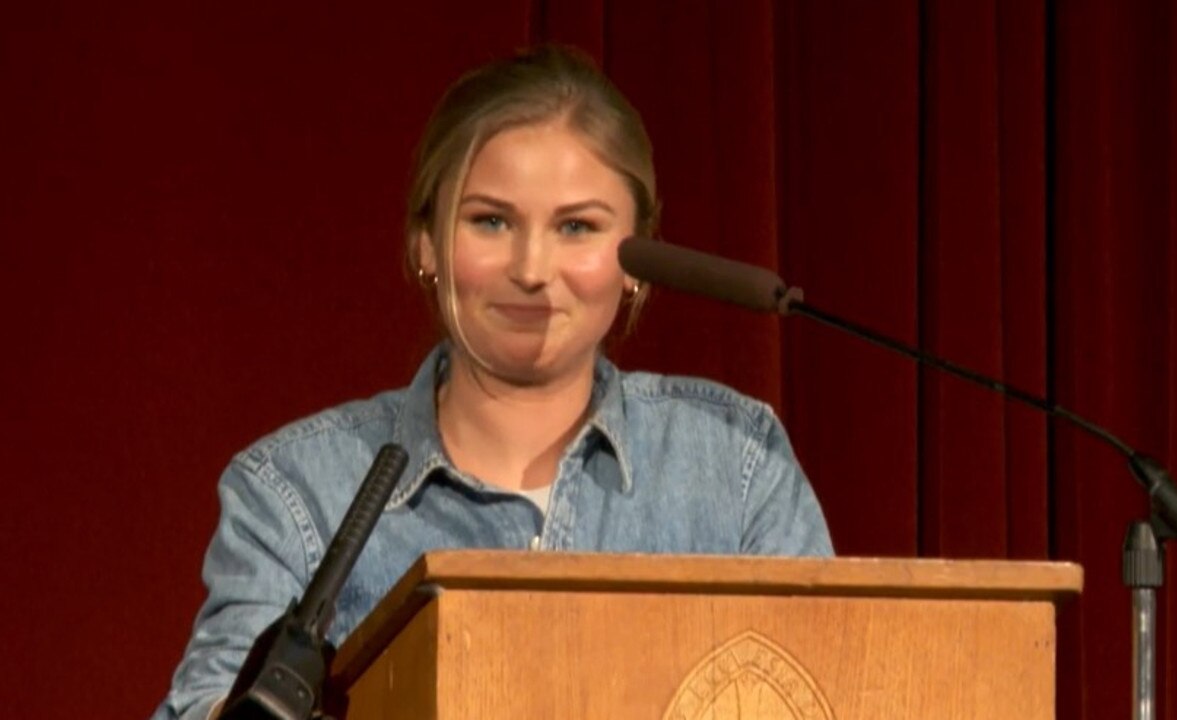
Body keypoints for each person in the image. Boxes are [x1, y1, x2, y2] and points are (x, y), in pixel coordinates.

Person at [152, 45, 832, 720]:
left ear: (639, 256)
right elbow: (202, 703)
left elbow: (832, 690)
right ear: (426, 245)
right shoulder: (296, 486)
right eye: (491, 221)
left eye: (576, 226)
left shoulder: (736, 462)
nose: (532, 268)